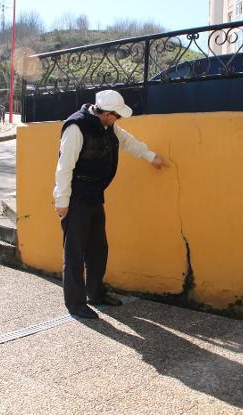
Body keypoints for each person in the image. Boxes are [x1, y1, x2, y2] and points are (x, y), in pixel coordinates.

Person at [54, 90, 165, 319]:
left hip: (94, 195)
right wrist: (62, 201)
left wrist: (151, 157)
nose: (118, 120)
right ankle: (75, 304)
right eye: (116, 116)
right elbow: (64, 167)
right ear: (105, 113)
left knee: (98, 249)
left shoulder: (108, 126)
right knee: (74, 252)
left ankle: (96, 294)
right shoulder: (76, 127)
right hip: (76, 198)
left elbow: (127, 141)